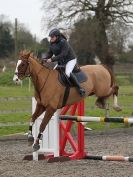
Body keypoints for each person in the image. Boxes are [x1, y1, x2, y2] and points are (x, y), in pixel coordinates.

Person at [42, 28, 85, 97]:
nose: (51, 38)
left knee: (67, 73)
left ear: (57, 36)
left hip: (70, 60)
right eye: (50, 37)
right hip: (62, 61)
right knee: (55, 73)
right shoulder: (51, 42)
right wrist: (44, 59)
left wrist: (52, 59)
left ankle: (80, 88)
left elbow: (63, 54)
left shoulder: (63, 42)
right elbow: (49, 53)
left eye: (52, 37)